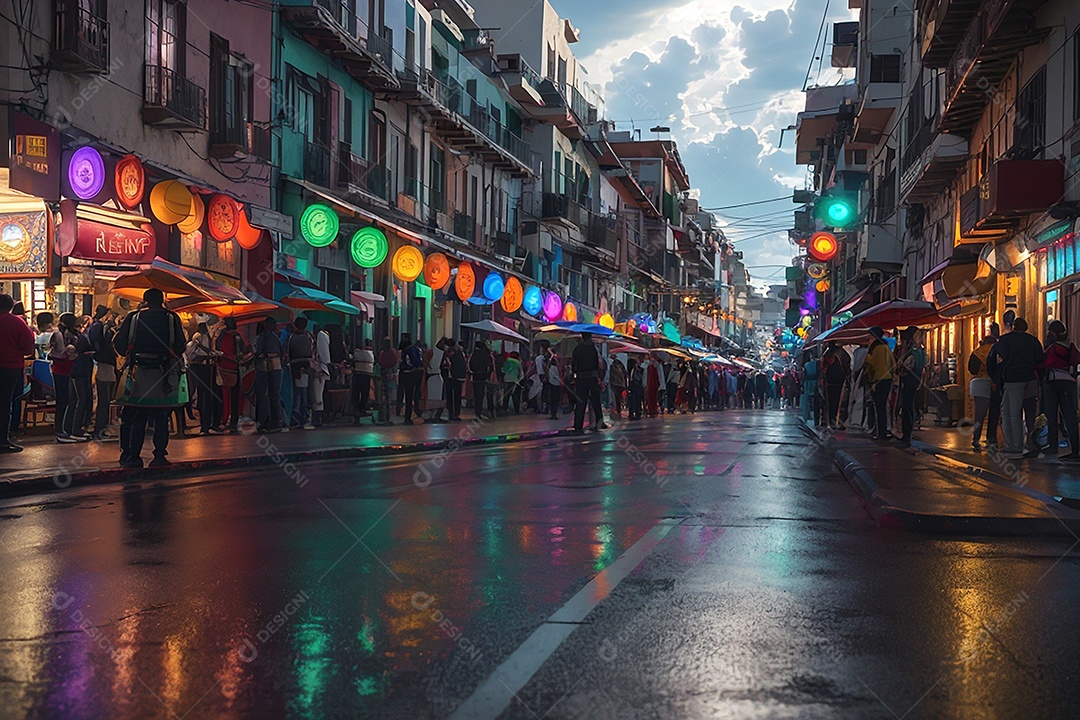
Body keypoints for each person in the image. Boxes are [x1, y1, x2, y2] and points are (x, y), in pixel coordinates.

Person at [113, 288, 186, 467]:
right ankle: (159, 456)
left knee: (136, 416)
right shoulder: (172, 318)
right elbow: (180, 346)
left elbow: (120, 345)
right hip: (163, 376)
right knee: (161, 417)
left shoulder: (133, 317)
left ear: (145, 300)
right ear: (162, 300)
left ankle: (132, 456)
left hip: (138, 374)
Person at [988, 317, 1044, 458]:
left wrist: (997, 379)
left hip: (1013, 380)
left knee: (1011, 413)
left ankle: (1014, 445)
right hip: (1031, 380)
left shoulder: (1005, 340)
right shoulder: (1033, 341)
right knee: (1030, 413)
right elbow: (1040, 359)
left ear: (1013, 327)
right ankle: (1031, 443)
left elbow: (995, 358)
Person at [1039, 320, 1080, 459]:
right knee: (1070, 416)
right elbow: (1077, 361)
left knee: (1051, 415)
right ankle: (1075, 448)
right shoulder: (1071, 346)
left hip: (1052, 382)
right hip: (1069, 383)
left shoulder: (1051, 348)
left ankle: (1053, 446)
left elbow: (1043, 364)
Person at [0, 295, 34, 453]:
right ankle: (3, 440)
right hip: (10, 367)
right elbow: (28, 347)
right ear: (10, 306)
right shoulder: (17, 323)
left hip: (9, 367)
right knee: (5, 404)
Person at [88, 307, 118, 440]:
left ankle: (100, 428)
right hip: (106, 366)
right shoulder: (102, 328)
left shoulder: (98, 327)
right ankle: (99, 429)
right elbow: (104, 347)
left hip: (104, 366)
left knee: (104, 400)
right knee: (104, 399)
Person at [185, 321, 219, 435]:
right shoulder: (198, 338)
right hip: (200, 369)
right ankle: (205, 425)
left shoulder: (205, 337)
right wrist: (211, 354)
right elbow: (194, 355)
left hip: (205, 368)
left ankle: (207, 424)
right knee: (203, 396)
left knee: (205, 396)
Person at [896, 327, 926, 447]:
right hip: (916, 382)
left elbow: (903, 368)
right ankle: (906, 434)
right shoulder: (921, 352)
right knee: (909, 407)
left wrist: (899, 368)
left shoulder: (911, 354)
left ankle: (906, 435)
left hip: (908, 382)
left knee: (906, 407)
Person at [216, 317, 248, 434]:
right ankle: (233, 422)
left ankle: (224, 420)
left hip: (224, 369)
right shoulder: (237, 337)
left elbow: (218, 349)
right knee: (235, 397)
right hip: (235, 369)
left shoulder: (221, 336)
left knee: (224, 397)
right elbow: (243, 351)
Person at [253, 318, 284, 433]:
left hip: (264, 367)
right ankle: (277, 420)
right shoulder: (276, 338)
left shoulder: (262, 337)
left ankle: (262, 420)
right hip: (276, 366)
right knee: (274, 394)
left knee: (262, 394)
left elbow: (258, 351)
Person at [864, 327, 895, 441]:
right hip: (887, 379)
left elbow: (872, 365)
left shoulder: (876, 348)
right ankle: (882, 431)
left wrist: (867, 357)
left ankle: (880, 433)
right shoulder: (886, 347)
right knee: (882, 407)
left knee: (878, 407)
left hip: (877, 380)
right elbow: (893, 363)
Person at [968, 335, 997, 450]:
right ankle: (992, 439)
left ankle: (976, 439)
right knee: (995, 413)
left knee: (979, 414)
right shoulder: (997, 349)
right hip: (995, 383)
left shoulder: (977, 352)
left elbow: (972, 369)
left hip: (979, 383)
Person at [571, 332, 603, 433]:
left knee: (580, 402)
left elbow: (573, 363)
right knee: (596, 401)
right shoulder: (592, 349)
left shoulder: (577, 348)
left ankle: (578, 425)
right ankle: (599, 421)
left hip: (580, 378)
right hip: (591, 376)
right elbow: (596, 364)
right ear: (590, 337)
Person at [70, 315, 96, 439]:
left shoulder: (80, 336)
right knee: (82, 398)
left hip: (82, 368)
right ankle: (76, 428)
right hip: (81, 369)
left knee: (83, 398)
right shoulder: (83, 337)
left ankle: (78, 427)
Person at [287, 317, 315, 428]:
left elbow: (289, 352)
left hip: (295, 367)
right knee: (304, 393)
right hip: (306, 367)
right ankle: (304, 417)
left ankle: (296, 418)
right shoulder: (308, 337)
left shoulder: (292, 337)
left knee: (297, 394)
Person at [821, 342, 851, 428]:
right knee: (840, 402)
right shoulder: (842, 353)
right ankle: (837, 421)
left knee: (829, 402)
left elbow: (822, 367)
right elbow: (847, 365)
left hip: (829, 381)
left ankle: (828, 421)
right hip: (840, 381)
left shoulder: (826, 354)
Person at [400, 335, 424, 424]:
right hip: (418, 374)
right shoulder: (418, 350)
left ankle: (407, 417)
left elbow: (406, 362)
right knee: (417, 394)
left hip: (408, 374)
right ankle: (418, 410)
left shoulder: (406, 351)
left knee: (408, 396)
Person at [311, 324, 332, 427]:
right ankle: (320, 417)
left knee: (317, 394)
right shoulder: (322, 336)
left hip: (320, 369)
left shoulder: (321, 336)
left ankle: (318, 418)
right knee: (318, 394)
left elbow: (324, 355)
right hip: (320, 368)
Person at [469, 341, 494, 420]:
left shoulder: (474, 354)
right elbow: (490, 366)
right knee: (482, 396)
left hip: (476, 378)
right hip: (484, 378)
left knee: (477, 396)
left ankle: (478, 413)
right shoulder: (486, 355)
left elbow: (471, 365)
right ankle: (487, 412)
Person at [352, 336, 375, 423]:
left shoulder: (357, 353)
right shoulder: (370, 353)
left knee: (357, 393)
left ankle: (357, 410)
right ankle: (362, 409)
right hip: (366, 374)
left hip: (358, 374)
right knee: (364, 393)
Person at [424, 338, 447, 423]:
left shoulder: (433, 352)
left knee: (434, 397)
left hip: (434, 377)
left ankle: (433, 414)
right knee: (435, 397)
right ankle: (434, 415)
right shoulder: (434, 353)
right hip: (435, 377)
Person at [376, 338, 399, 425]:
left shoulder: (383, 353)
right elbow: (395, 363)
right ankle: (387, 416)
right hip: (391, 377)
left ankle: (384, 416)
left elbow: (380, 363)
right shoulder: (393, 353)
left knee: (384, 397)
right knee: (388, 397)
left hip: (384, 377)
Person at [547, 354, 563, 419]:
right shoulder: (554, 368)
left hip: (554, 384)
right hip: (555, 385)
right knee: (555, 400)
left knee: (553, 400)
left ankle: (553, 413)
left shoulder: (553, 368)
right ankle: (554, 413)